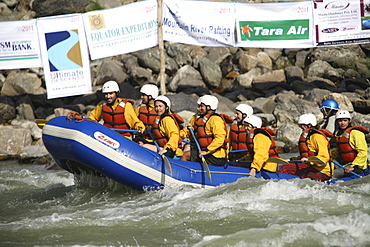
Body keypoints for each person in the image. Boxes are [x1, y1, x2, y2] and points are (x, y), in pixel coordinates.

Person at [279, 113, 334, 181]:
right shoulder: (309, 137)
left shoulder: (318, 137)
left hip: (322, 172)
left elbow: (324, 157)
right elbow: (307, 155)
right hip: (313, 168)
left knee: (285, 168)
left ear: (309, 125)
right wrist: (291, 160)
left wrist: (309, 161)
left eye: (302, 125)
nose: (301, 127)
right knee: (287, 165)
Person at [190, 95, 228, 166]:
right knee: (191, 150)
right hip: (206, 152)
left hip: (216, 156)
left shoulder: (215, 119)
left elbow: (220, 139)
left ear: (209, 107)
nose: (198, 108)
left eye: (201, 106)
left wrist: (207, 151)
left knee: (187, 155)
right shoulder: (199, 118)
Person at [332, 110, 369, 179]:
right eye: (340, 121)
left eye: (345, 120)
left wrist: (353, 166)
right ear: (337, 122)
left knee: (334, 174)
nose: (342, 123)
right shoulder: (339, 134)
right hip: (344, 163)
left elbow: (363, 152)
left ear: (349, 121)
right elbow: (340, 150)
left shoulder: (356, 133)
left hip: (357, 166)